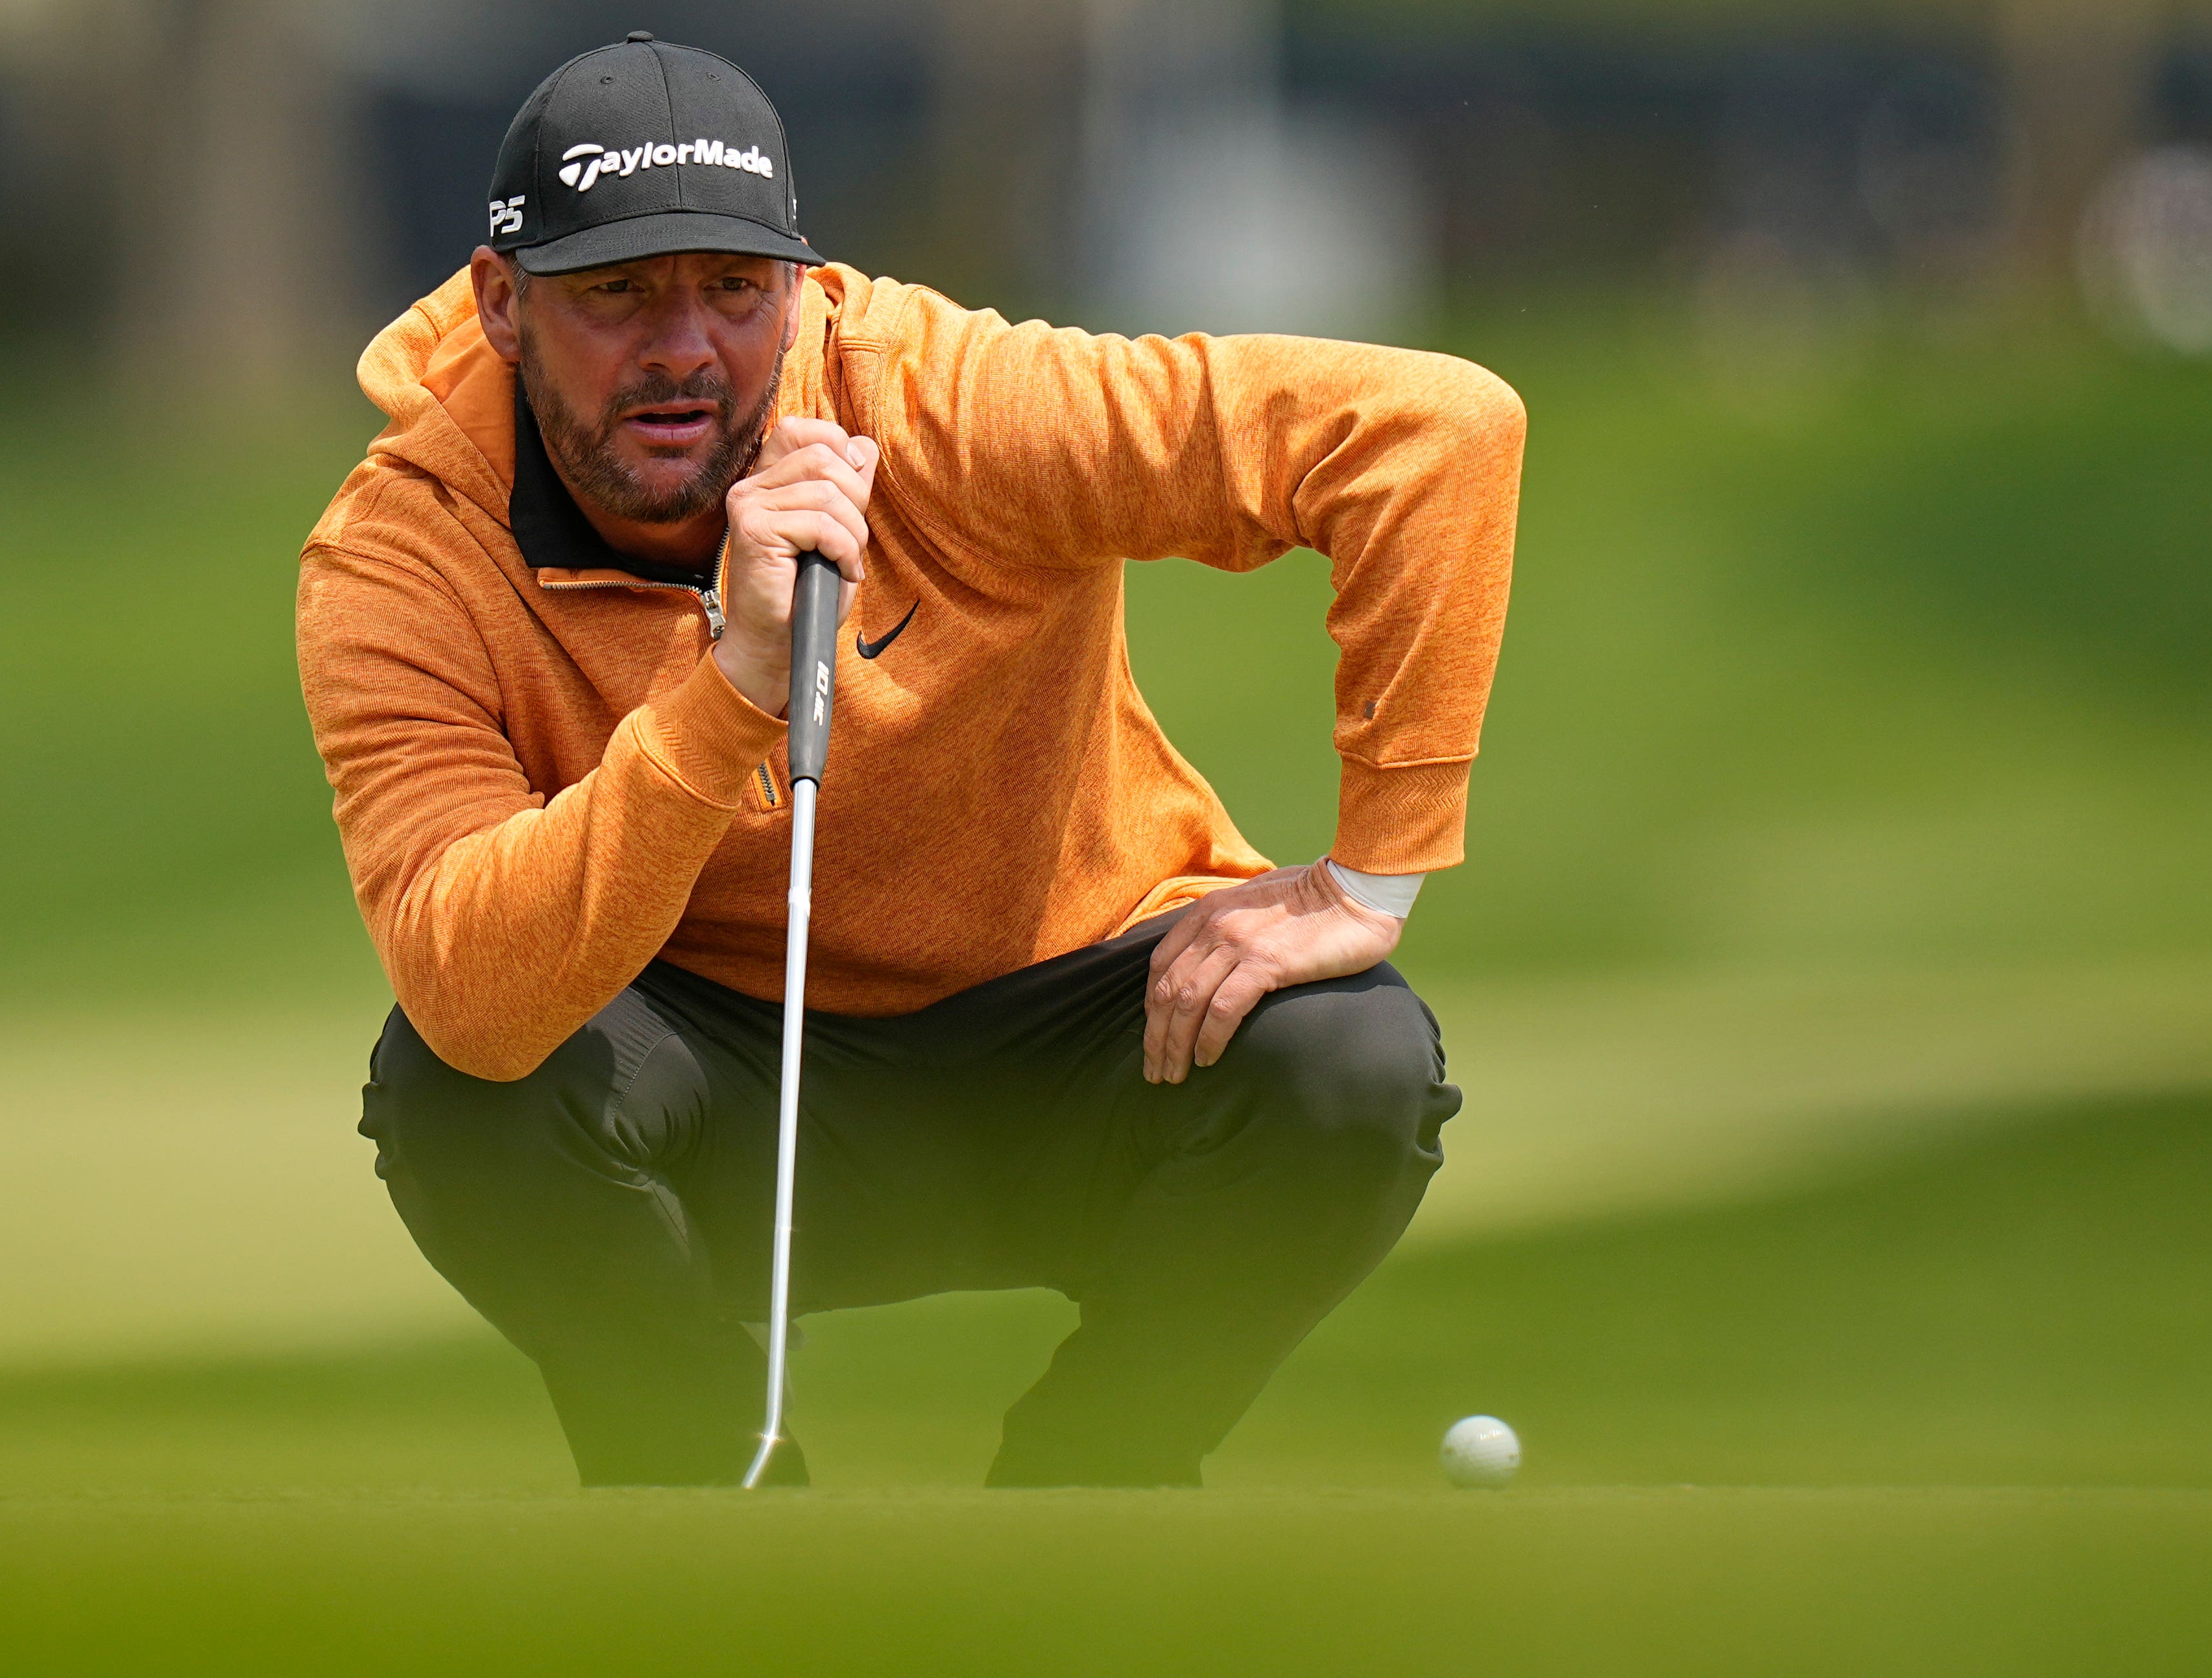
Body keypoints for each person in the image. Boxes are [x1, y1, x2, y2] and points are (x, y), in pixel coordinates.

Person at [296, 34, 1524, 1488]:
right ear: (503, 304)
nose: (683, 347)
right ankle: (714, 1514)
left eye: (733, 289)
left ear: (803, 288)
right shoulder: (406, 554)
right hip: (724, 1097)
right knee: (459, 1092)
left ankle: (1090, 1493)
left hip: (1080, 1046)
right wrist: (732, 691)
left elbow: (1435, 434)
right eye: (617, 292)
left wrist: (1372, 876)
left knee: (1349, 1061)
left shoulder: (948, 402)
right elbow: (471, 993)